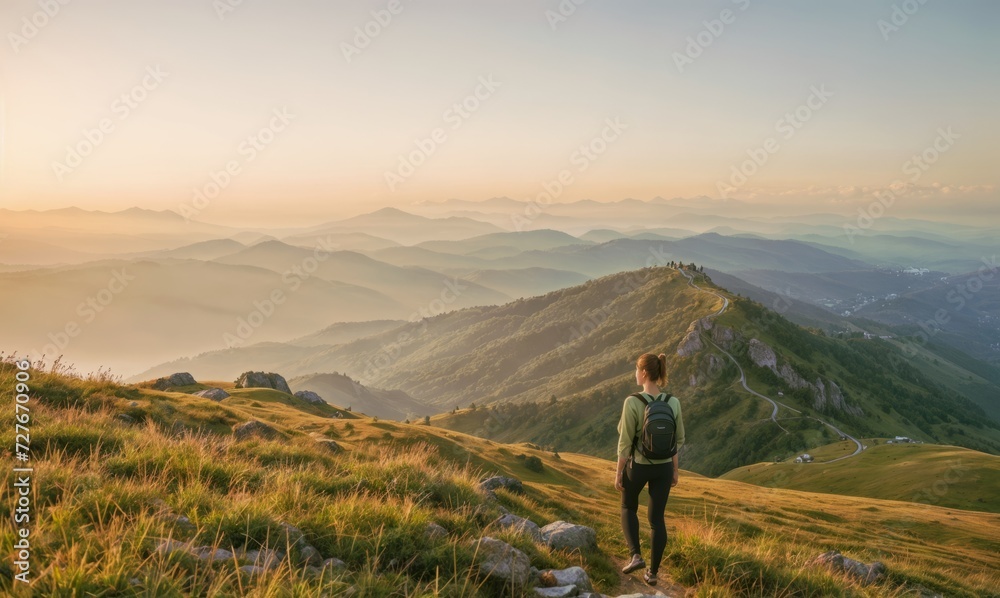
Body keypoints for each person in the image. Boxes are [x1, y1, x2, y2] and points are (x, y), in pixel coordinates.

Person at [614, 352, 685, 586]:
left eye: (636, 369)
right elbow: (677, 440)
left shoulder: (632, 402)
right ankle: (653, 573)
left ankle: (635, 555)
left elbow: (625, 443)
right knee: (657, 520)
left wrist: (618, 473)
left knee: (628, 507)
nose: (635, 373)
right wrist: (675, 470)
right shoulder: (673, 402)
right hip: (664, 468)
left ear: (644, 373)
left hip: (638, 466)